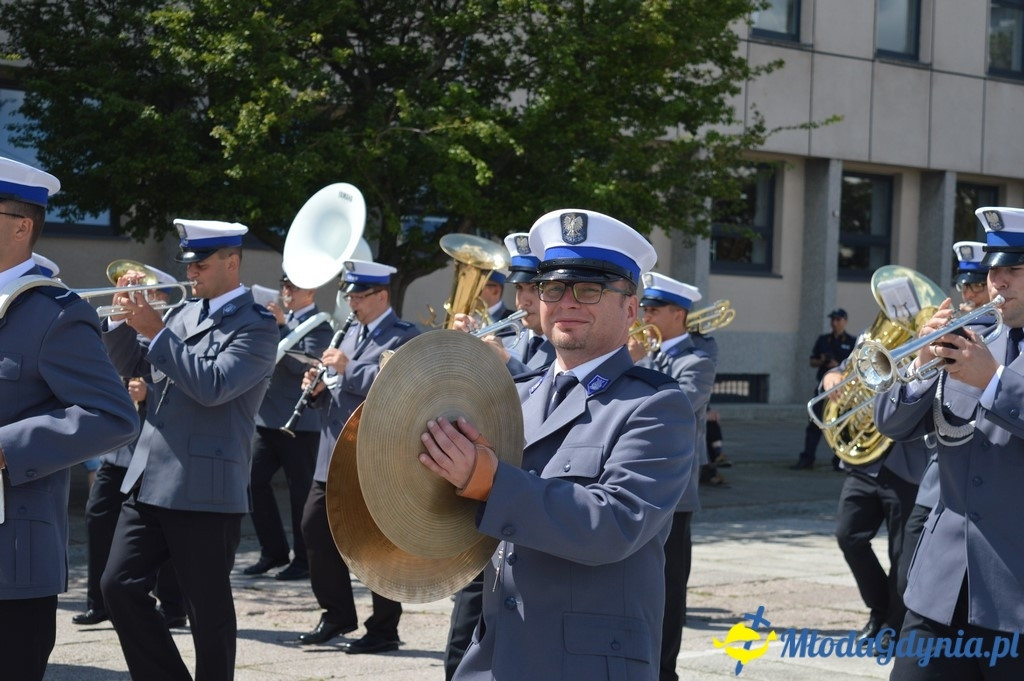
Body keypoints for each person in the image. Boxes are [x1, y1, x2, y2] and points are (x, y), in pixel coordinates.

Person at [419, 208, 695, 680]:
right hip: (494, 657)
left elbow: (615, 523)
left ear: (630, 308)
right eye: (552, 288)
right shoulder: (515, 394)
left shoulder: (655, 405)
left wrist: (491, 482)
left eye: (589, 289)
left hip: (585, 664)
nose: (567, 302)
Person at [100, 219, 279, 681]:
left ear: (232, 263)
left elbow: (214, 386)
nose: (191, 272)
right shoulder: (182, 314)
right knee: (117, 586)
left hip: (204, 485)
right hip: (150, 476)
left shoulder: (257, 326)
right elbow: (130, 363)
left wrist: (158, 332)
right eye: (189, 265)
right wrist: (121, 318)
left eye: (201, 264)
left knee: (207, 612)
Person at [0, 156, 139, 681]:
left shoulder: (54, 311)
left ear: (21, 226)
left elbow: (112, 414)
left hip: (11, 561)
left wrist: (6, 447)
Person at [875, 206, 1024, 679]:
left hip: (1015, 592)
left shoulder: (983, 359)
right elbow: (891, 424)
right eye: (994, 270)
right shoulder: (973, 339)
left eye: (1015, 270)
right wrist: (921, 365)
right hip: (941, 586)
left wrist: (994, 381)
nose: (998, 282)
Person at [442, 231, 556, 680]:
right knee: (467, 622)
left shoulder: (556, 345)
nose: (523, 299)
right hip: (488, 489)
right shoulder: (514, 333)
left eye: (534, 289)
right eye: (520, 289)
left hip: (527, 492)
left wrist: (503, 362)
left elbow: (549, 396)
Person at [297, 259, 419, 652]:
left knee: (375, 544)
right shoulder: (347, 332)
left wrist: (348, 369)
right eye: (350, 296)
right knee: (314, 527)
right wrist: (317, 390)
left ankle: (384, 629)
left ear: (382, 295)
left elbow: (402, 383)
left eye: (360, 296)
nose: (352, 304)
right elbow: (338, 390)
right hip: (333, 452)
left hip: (372, 456)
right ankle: (337, 613)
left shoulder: (405, 335)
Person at [73, 268, 189, 628]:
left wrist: (147, 393)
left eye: (148, 292)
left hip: (154, 448)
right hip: (119, 446)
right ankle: (99, 602)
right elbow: (112, 362)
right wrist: (119, 315)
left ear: (163, 298)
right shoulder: (128, 328)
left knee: (162, 527)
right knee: (98, 517)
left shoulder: (173, 328)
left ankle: (172, 605)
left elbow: (180, 379)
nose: (142, 297)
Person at [633, 272, 715, 681]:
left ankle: (665, 672)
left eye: (653, 309)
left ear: (678, 314)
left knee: (668, 590)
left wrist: (635, 363)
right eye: (644, 308)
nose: (644, 315)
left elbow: (672, 407)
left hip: (676, 494)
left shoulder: (697, 360)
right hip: (633, 487)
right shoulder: (642, 352)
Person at [897, 241, 990, 597]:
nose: (968, 293)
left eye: (977, 284)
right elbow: (892, 422)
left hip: (986, 503)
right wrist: (920, 362)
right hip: (937, 490)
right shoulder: (953, 331)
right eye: (964, 285)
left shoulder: (989, 341)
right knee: (908, 581)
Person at [242, 273, 333, 581]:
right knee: (251, 482)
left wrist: (282, 326)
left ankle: (304, 560)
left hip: (301, 423)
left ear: (311, 291)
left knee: (300, 493)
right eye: (284, 286)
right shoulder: (283, 319)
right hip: (268, 418)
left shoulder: (320, 326)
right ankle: (273, 551)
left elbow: (303, 366)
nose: (286, 291)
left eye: (293, 287)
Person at [792, 308, 856, 470]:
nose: (834, 323)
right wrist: (822, 361)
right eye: (832, 319)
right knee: (814, 424)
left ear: (845, 321)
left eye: (838, 320)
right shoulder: (823, 340)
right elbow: (812, 361)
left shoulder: (852, 341)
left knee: (842, 426)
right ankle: (807, 458)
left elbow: (854, 365)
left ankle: (839, 461)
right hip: (823, 390)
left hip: (843, 391)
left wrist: (838, 366)